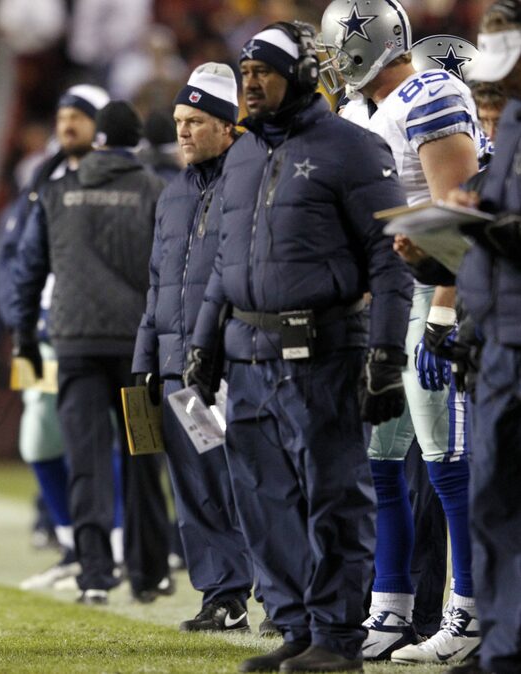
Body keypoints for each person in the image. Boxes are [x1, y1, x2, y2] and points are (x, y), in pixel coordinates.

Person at [185, 22, 413, 672]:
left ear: (305, 75)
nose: (249, 82)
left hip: (325, 352)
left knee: (336, 497)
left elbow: (392, 260)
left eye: (266, 70)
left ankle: (338, 639)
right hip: (247, 354)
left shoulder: (354, 148)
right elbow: (224, 262)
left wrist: (387, 353)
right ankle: (294, 626)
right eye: (245, 70)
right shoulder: (241, 154)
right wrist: (203, 348)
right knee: (263, 501)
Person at [318, 1, 486, 665]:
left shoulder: (432, 91)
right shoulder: (368, 112)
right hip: (389, 301)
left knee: (447, 460)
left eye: (339, 48)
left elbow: (459, 209)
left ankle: (469, 612)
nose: (333, 65)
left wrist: (444, 308)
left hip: (429, 295)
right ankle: (388, 608)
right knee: (383, 459)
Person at [12, 100, 171, 605]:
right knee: (143, 459)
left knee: (85, 462)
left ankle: (95, 575)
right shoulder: (154, 190)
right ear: (138, 142)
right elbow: (168, 272)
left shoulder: (56, 190)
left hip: (73, 346)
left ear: (98, 139)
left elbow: (29, 268)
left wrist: (22, 338)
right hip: (137, 352)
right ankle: (148, 573)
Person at [132, 62, 255, 633]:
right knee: (198, 485)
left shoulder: (252, 181)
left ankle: (285, 598)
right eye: (180, 121)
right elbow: (157, 283)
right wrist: (145, 362)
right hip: (181, 366)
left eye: (197, 121)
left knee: (254, 482)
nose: (182, 132)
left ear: (229, 126)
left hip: (233, 362)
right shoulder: (173, 192)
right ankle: (224, 595)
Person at [0, 84, 113, 590]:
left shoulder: (118, 176)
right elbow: (15, 260)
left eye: (79, 117)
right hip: (43, 328)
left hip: (95, 328)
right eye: (62, 115)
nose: (67, 125)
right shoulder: (43, 177)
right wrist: (9, 326)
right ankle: (70, 542)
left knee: (99, 436)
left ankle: (118, 543)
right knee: (38, 436)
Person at [444, 4, 521, 673]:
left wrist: (486, 226)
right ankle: (499, 643)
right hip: (496, 341)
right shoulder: (511, 132)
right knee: (491, 499)